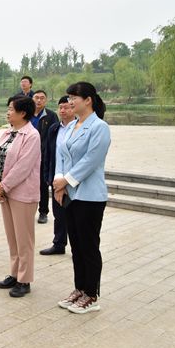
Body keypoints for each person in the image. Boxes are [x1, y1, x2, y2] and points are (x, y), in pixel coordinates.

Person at [54, 82, 110, 314]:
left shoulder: (99, 127)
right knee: (76, 245)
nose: (69, 102)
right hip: (70, 194)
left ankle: (92, 294)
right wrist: (59, 182)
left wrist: (66, 180)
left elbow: (91, 160)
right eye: (68, 97)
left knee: (89, 246)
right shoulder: (71, 126)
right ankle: (80, 288)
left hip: (90, 196)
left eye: (73, 97)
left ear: (88, 100)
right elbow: (61, 155)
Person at [0, 95, 41, 297]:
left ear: (23, 113)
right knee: (12, 237)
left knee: (24, 239)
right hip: (6, 192)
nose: (8, 112)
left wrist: (3, 186)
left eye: (11, 109)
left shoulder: (32, 135)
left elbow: (23, 167)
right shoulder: (7, 133)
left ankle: (24, 279)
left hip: (22, 194)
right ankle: (14, 273)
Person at [39, 96, 74, 256]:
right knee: (58, 213)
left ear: (73, 108)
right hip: (56, 178)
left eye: (66, 107)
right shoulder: (54, 129)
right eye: (60, 107)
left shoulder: (79, 128)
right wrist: (48, 175)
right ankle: (59, 243)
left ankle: (77, 246)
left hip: (74, 179)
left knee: (74, 214)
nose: (62, 110)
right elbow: (47, 153)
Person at [31, 90, 58, 223]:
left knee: (42, 185)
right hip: (27, 156)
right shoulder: (26, 114)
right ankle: (28, 210)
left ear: (46, 101)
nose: (39, 100)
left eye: (42, 98)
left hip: (43, 156)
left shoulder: (51, 116)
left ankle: (43, 212)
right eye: (36, 97)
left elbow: (54, 136)